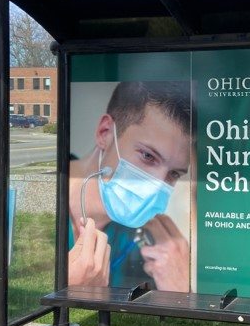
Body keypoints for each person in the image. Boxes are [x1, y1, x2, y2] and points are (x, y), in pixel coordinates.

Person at [68, 81, 193, 291]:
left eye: (174, 174)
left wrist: (180, 290)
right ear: (105, 133)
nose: (156, 187)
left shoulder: (148, 249)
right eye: (147, 156)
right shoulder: (34, 210)